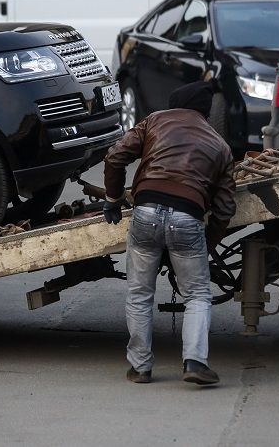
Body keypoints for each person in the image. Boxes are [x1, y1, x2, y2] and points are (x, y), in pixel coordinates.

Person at [103, 82, 236, 386]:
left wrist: (112, 199)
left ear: (174, 103)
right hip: (188, 218)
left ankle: (140, 368)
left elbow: (115, 157)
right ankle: (194, 362)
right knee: (198, 294)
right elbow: (225, 208)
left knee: (139, 294)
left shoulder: (155, 121)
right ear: (204, 112)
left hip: (145, 212)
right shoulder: (220, 145)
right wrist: (206, 244)